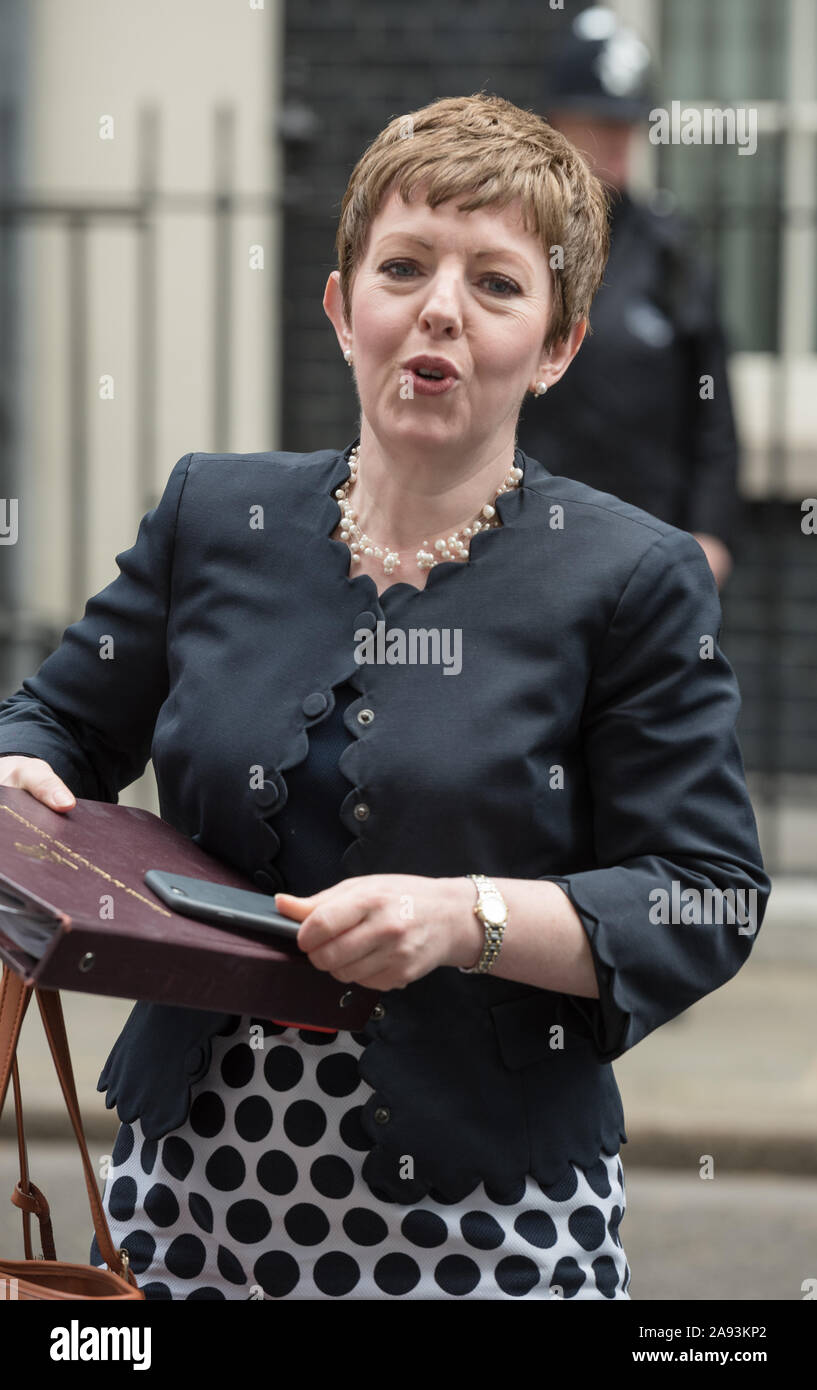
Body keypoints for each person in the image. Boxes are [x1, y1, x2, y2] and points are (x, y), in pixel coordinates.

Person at [0, 92, 770, 1301]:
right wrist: (21, 770)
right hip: (187, 1199)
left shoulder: (629, 576)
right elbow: (55, 720)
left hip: (485, 1219)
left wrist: (469, 917)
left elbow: (704, 894)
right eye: (403, 265)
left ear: (558, 344)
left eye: (498, 285)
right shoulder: (216, 515)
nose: (440, 311)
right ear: (341, 302)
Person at [516, 5, 739, 590]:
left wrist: (710, 536)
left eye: (625, 125)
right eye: (595, 122)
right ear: (555, 123)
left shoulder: (673, 255)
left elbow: (713, 412)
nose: (613, 143)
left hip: (647, 548)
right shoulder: (514, 245)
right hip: (526, 542)